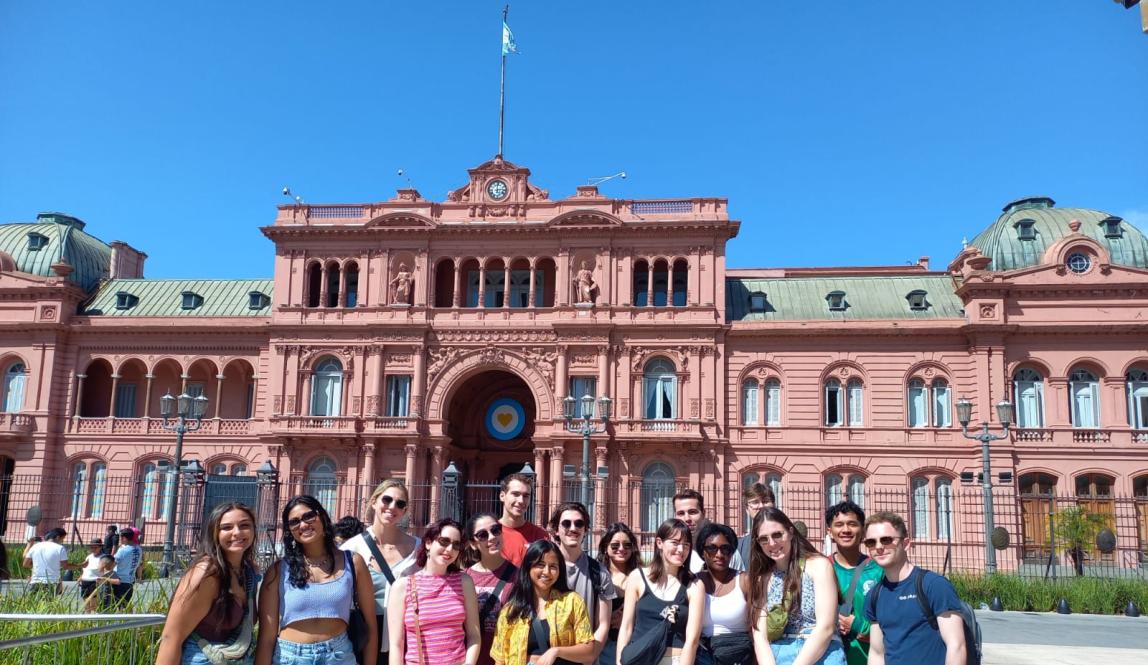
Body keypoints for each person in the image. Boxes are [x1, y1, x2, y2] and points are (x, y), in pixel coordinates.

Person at [256, 495, 378, 665]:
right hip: (291, 657)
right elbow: (266, 638)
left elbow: (371, 627)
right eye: (294, 522)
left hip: (339, 655)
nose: (304, 524)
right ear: (289, 530)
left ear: (322, 517)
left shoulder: (353, 562)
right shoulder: (278, 571)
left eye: (309, 516)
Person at [157, 502, 261, 664]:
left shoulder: (247, 572)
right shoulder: (207, 573)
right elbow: (171, 637)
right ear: (214, 533)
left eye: (244, 525)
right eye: (226, 528)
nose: (237, 532)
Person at [862, 512, 966, 665]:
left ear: (906, 543)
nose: (879, 547)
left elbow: (956, 645)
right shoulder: (874, 595)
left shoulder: (933, 585)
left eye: (886, 540)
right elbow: (877, 652)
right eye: (871, 542)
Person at [748, 508, 845, 665]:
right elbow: (760, 635)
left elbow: (825, 627)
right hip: (777, 655)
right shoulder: (763, 578)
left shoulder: (818, 566)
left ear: (791, 532)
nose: (772, 543)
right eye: (764, 539)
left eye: (777, 535)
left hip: (821, 653)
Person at [341, 480, 420, 664]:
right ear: (374, 501)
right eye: (387, 499)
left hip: (405, 636)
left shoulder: (419, 549)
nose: (392, 507)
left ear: (404, 511)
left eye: (400, 504)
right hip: (364, 635)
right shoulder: (352, 548)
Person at [386, 517, 480, 665]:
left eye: (456, 545)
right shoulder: (403, 586)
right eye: (444, 541)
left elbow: (474, 635)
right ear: (428, 543)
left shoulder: (464, 582)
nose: (450, 549)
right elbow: (396, 644)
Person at [490, 540, 596, 665]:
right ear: (528, 567)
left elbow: (589, 653)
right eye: (540, 565)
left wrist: (556, 651)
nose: (546, 572)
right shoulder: (510, 610)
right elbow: (500, 660)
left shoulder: (572, 602)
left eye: (553, 566)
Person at [617, 518, 706, 665]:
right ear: (659, 543)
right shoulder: (637, 577)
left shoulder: (695, 585)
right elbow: (626, 627)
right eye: (675, 543)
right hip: (639, 658)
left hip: (675, 659)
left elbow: (692, 640)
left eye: (686, 545)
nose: (681, 549)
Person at [547, 502, 614, 663]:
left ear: (586, 530)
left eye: (579, 523)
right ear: (556, 530)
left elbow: (603, 625)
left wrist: (589, 656)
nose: (573, 528)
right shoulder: (543, 569)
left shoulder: (599, 572)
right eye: (566, 523)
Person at [825, 501, 883, 665]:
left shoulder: (879, 570)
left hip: (869, 658)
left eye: (852, 524)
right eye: (839, 525)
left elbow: (895, 625)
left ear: (863, 531)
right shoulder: (820, 569)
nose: (846, 530)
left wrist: (857, 625)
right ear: (830, 532)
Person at [463, 512, 517, 665]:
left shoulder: (519, 576)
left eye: (495, 530)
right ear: (473, 543)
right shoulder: (464, 578)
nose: (492, 537)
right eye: (482, 535)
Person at [695, 522, 753, 665]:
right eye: (712, 548)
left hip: (738, 655)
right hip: (703, 656)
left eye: (725, 549)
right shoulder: (694, 582)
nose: (719, 554)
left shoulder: (744, 581)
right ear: (703, 552)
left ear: (732, 552)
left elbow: (756, 628)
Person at [595, 523, 640, 665]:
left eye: (627, 545)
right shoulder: (597, 575)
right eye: (615, 545)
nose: (621, 549)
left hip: (635, 642)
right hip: (604, 646)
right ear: (605, 548)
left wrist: (629, 618)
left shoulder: (642, 576)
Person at [497, 474, 549, 567]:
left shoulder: (541, 536)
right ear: (502, 496)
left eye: (526, 496)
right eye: (516, 494)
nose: (521, 500)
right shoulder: (489, 533)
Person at [23, 527, 78, 597]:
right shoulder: (60, 548)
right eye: (62, 539)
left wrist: (38, 566)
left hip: (36, 581)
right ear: (58, 537)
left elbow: (25, 564)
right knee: (49, 605)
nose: (62, 541)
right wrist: (81, 565)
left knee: (35, 606)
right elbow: (65, 566)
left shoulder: (35, 546)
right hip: (52, 582)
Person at [734, 483, 775, 572]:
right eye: (755, 502)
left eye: (765, 501)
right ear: (747, 509)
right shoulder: (739, 546)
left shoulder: (788, 540)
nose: (761, 506)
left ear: (774, 505)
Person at [673, 489, 709, 574]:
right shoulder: (668, 551)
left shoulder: (723, 549)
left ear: (703, 514)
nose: (687, 519)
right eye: (681, 513)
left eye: (692, 512)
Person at [111, 526, 144, 607]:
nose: (120, 540)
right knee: (125, 606)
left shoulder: (122, 550)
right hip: (130, 581)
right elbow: (140, 565)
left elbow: (112, 564)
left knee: (116, 606)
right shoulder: (139, 549)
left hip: (119, 581)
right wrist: (139, 578)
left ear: (124, 538)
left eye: (120, 537)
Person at [79, 538, 106, 608]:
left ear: (100, 547)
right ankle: (87, 617)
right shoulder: (89, 556)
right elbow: (85, 568)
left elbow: (105, 570)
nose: (93, 549)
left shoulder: (103, 557)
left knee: (93, 603)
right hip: (85, 581)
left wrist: (103, 580)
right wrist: (81, 577)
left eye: (95, 547)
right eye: (92, 547)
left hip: (95, 581)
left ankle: (93, 616)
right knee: (86, 601)